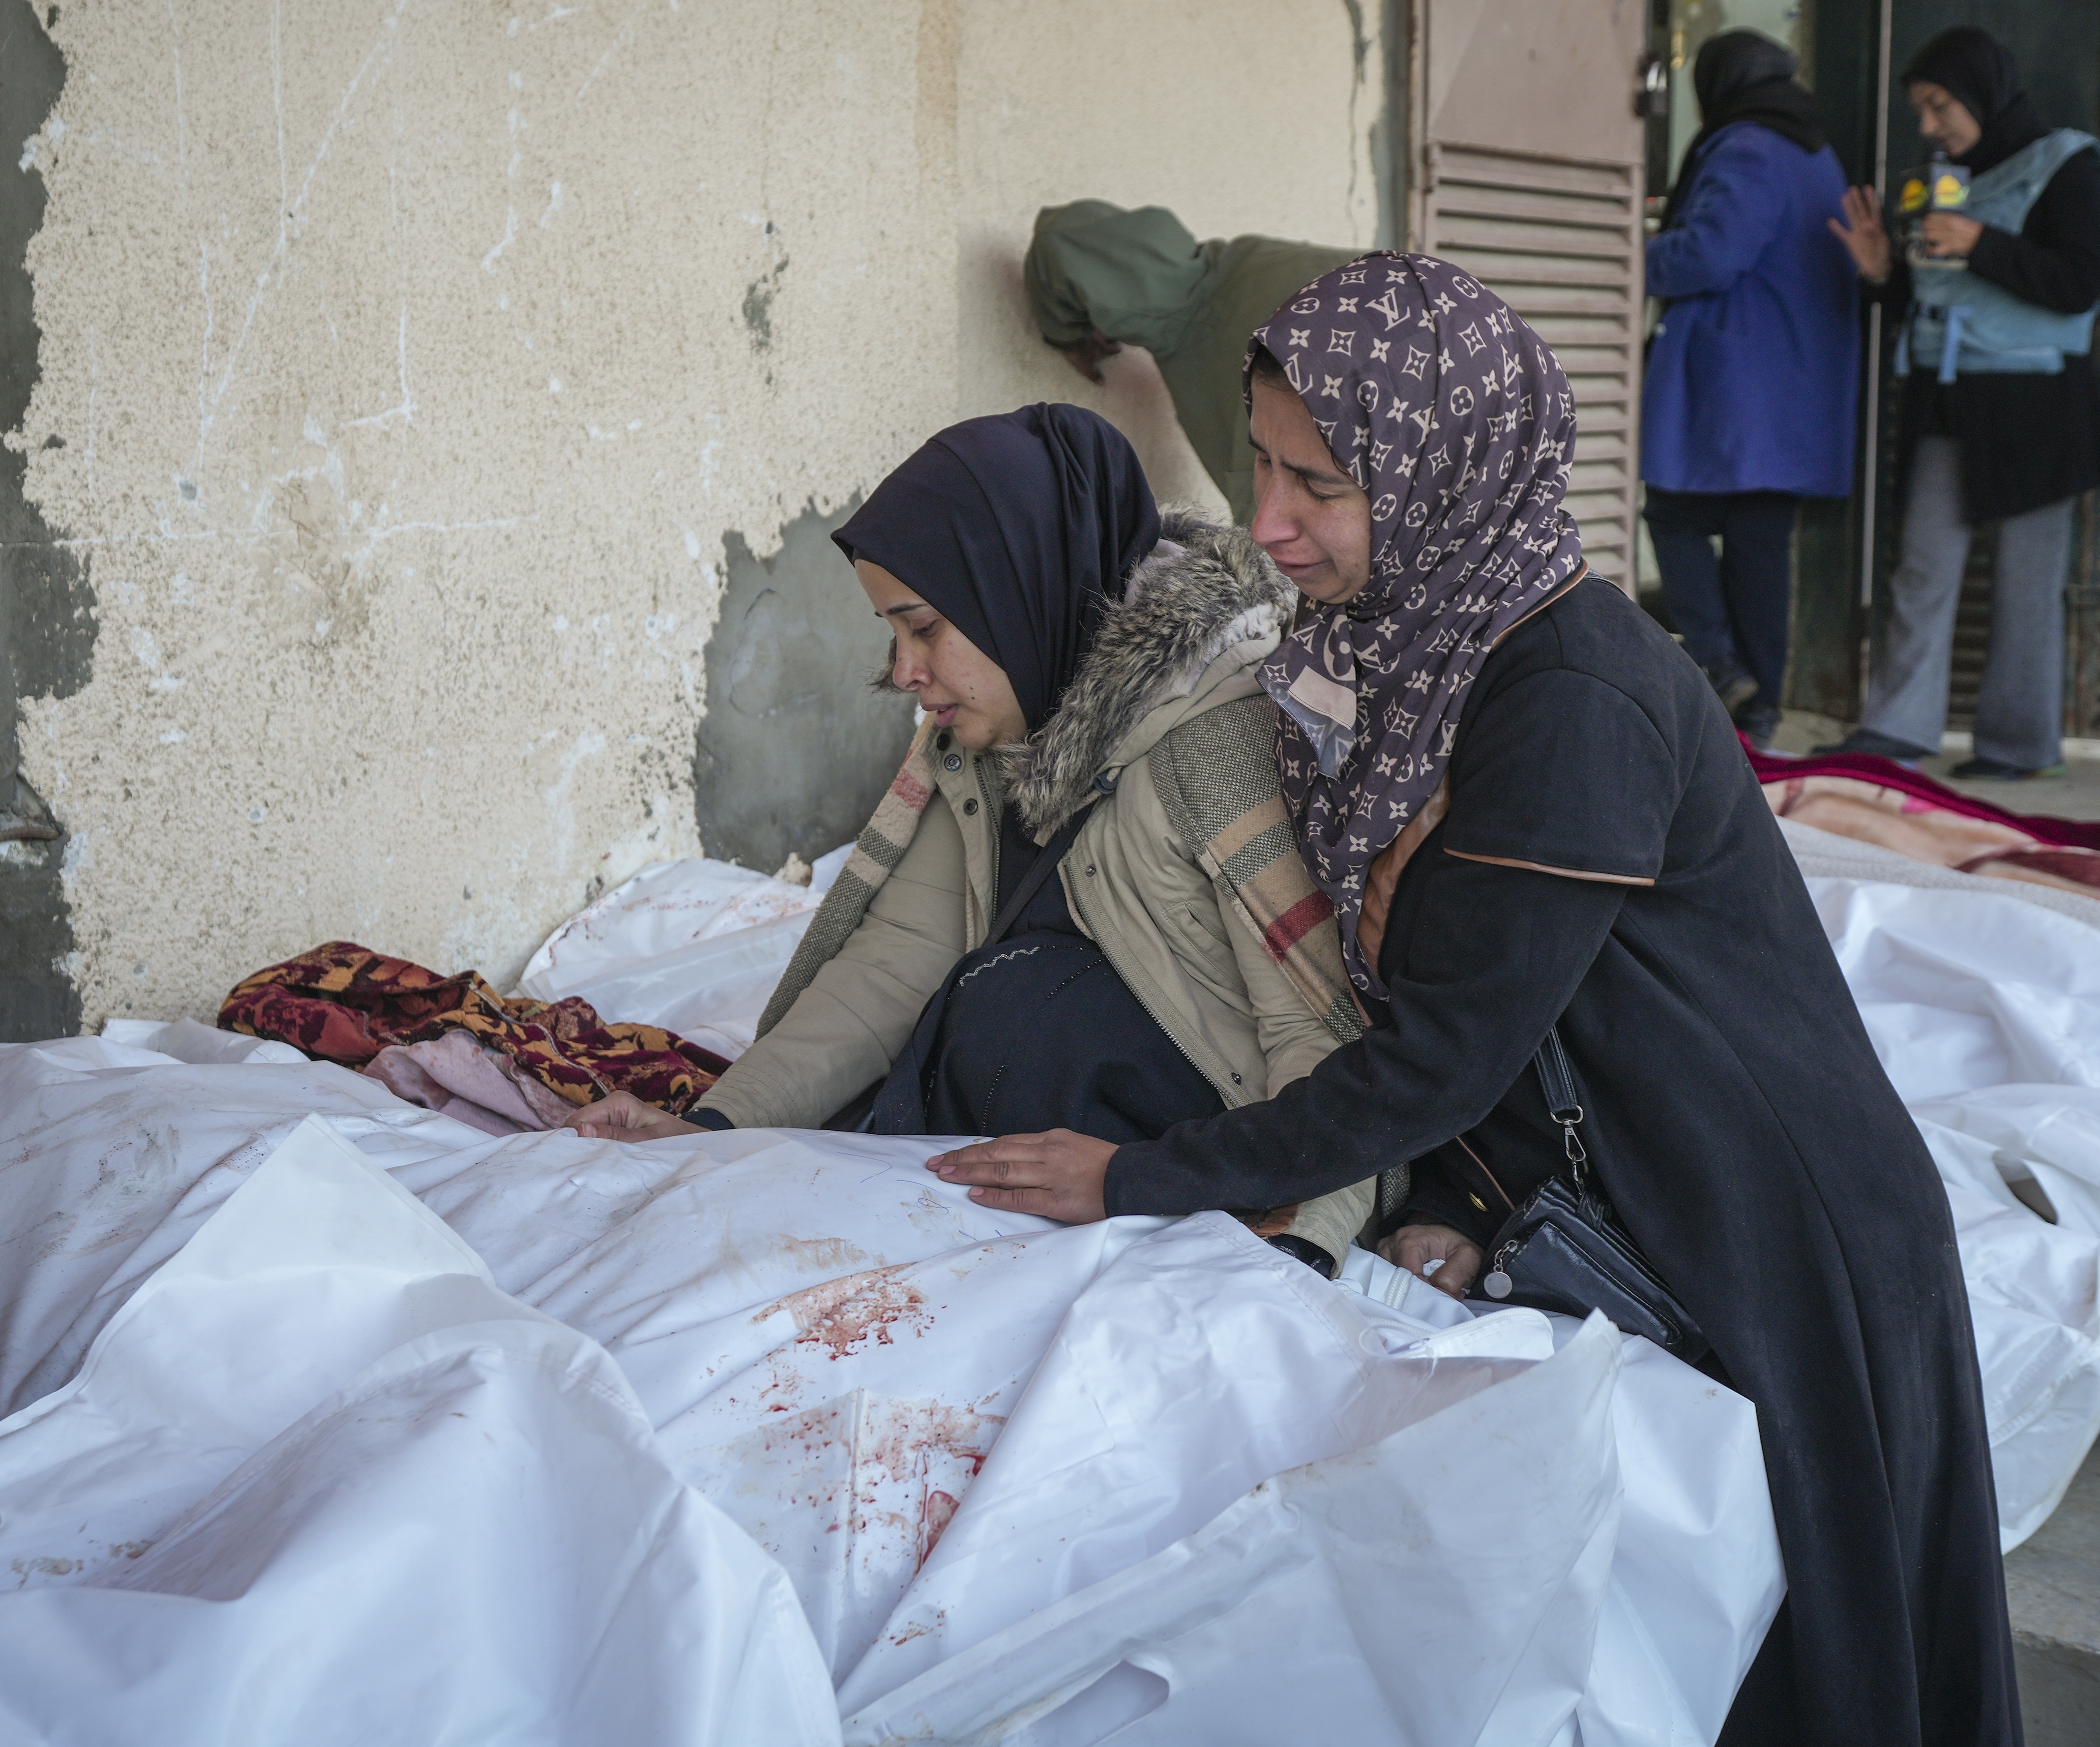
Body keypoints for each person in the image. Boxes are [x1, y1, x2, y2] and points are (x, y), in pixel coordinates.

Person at [926, 255, 2023, 1747]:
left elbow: (1436, 1049)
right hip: (1635, 1182)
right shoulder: (1398, 649)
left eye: (1317, 481)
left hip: (1768, 1229)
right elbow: (1450, 995)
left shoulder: (1567, 697)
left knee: (1807, 1661)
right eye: (1257, 461)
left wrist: (1136, 1177)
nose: (1265, 521)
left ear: (1441, 471)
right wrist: (1448, 1190)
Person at [574, 404, 1374, 1273]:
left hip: (1195, 1169)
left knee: (1017, 1003)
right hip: (1052, 1183)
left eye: (924, 628)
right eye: (893, 635)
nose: (906, 673)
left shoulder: (1223, 739)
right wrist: (712, 1128)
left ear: (1020, 584)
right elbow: (896, 959)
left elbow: (1320, 1037)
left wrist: (1299, 1248)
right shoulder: (998, 727)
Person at [1822, 27, 2100, 783]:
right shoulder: (1938, 182)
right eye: (1922, 109)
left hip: (2037, 407)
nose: (1929, 126)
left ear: (1985, 91)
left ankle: (2017, 745)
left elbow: (2080, 282)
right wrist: (1882, 273)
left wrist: (1981, 241)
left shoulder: (2069, 163)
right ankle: (1895, 729)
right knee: (1920, 570)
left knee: (2026, 584)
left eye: (1939, 105)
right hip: (1945, 400)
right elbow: (1933, 291)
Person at [1639, 31, 1861, 749]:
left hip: (1737, 374)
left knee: (1673, 511)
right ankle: (1758, 707)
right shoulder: (1812, 148)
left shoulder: (1746, 146)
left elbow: (1710, 253)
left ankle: (1717, 659)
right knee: (1760, 540)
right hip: (1794, 378)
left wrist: (1633, 252)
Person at [1024, 201, 1355, 522]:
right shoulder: (1196, 301)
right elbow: (1066, 242)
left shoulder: (1391, 282)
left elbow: (1069, 238)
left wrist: (1066, 332)